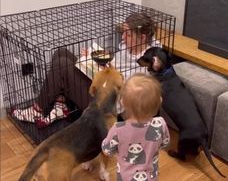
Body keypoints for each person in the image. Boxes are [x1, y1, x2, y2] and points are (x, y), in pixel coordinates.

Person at [12, 12, 161, 127]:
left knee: (62, 64)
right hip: (102, 84)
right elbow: (114, 66)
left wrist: (106, 71)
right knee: (61, 52)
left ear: (142, 38)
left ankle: (36, 111)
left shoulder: (147, 63)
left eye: (127, 34)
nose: (123, 37)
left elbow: (124, 96)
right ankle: (61, 105)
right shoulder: (128, 47)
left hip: (107, 107)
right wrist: (92, 60)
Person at [101, 73, 170, 181]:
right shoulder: (160, 124)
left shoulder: (118, 128)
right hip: (150, 178)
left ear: (122, 103)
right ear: (159, 102)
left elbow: (106, 150)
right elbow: (165, 143)